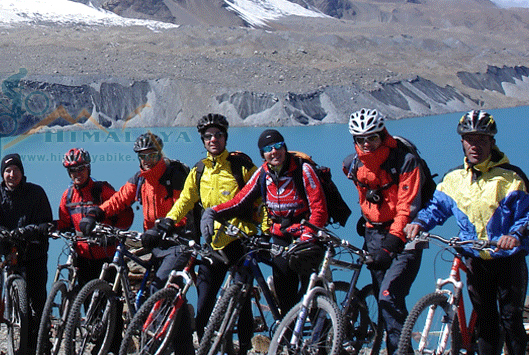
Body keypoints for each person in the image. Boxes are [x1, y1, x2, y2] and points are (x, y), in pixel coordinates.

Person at [404, 110, 528, 355]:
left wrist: (514, 235)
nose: (475, 145)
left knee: (511, 319)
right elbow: (436, 208)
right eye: (470, 139)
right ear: (462, 142)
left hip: (508, 259)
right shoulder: (454, 179)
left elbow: (526, 214)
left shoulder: (511, 177)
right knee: (486, 322)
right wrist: (419, 222)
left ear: (492, 142)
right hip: (475, 260)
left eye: (482, 140)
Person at [152, 114, 261, 349]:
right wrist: (169, 221)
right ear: (203, 141)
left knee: (241, 302)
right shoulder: (199, 170)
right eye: (208, 136)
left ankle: (243, 347)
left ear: (225, 138)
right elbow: (185, 200)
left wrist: (267, 228)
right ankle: (205, 346)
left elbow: (260, 196)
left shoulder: (240, 165)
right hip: (213, 245)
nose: (214, 139)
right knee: (203, 306)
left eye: (218, 135)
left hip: (241, 241)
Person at [78, 132, 192, 355]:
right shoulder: (140, 179)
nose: (147, 161)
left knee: (160, 288)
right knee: (152, 290)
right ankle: (173, 342)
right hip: (154, 241)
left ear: (160, 154)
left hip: (177, 241)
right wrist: (96, 213)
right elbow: (119, 199)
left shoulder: (175, 175)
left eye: (152, 155)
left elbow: (185, 209)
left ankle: (164, 345)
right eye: (143, 156)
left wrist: (162, 229)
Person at [202, 129, 328, 316]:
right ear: (263, 154)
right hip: (280, 235)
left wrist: (308, 236)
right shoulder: (263, 173)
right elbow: (240, 201)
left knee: (313, 291)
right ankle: (289, 340)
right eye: (268, 149)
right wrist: (213, 212)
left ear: (284, 148)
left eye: (278, 146)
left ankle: (323, 340)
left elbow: (319, 209)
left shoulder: (303, 169)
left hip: (306, 235)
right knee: (284, 291)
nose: (274, 152)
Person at [342, 109, 426, 353]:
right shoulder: (353, 163)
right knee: (384, 301)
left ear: (382, 134)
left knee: (389, 296)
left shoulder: (405, 161)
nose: (367, 144)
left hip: (406, 236)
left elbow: (407, 208)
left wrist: (391, 243)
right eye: (361, 139)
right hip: (374, 235)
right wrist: (367, 217)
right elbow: (365, 192)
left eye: (372, 137)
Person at [0, 153, 53, 354]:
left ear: (22, 172)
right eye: (7, 171)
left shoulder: (36, 193)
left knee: (38, 303)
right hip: (8, 254)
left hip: (34, 254)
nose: (11, 174)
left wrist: (29, 231)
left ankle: (41, 343)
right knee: (0, 300)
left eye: (15, 170)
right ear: (2, 174)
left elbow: (48, 224)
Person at [57, 147, 133, 287]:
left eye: (81, 168)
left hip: (106, 255)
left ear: (88, 168)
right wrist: (51, 226)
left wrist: (115, 233)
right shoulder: (67, 196)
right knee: (86, 302)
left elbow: (126, 213)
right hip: (83, 257)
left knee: (112, 301)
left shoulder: (102, 190)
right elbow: (65, 222)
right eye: (73, 170)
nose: (77, 173)